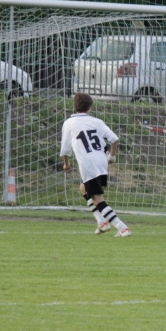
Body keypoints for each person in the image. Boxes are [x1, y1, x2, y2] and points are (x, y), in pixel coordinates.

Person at [60, 92, 131, 237]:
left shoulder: (69, 123)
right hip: (101, 160)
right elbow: (114, 139)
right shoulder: (96, 121)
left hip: (88, 164)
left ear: (75, 106)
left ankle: (122, 227)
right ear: (90, 107)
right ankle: (102, 222)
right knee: (83, 189)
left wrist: (66, 164)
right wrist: (111, 156)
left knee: (97, 198)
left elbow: (65, 149)